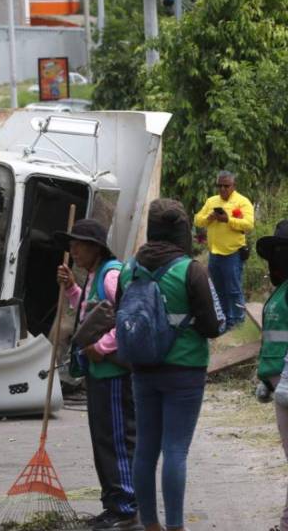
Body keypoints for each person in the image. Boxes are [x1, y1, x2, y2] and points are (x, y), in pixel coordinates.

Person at [121, 199, 225, 531]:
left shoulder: (129, 269)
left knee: (145, 450)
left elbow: (121, 317)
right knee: (175, 450)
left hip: (142, 369)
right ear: (180, 231)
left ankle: (150, 524)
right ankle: (176, 526)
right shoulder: (190, 270)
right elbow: (211, 326)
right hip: (185, 369)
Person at [55, 219, 141, 531]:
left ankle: (127, 506)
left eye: (79, 244)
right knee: (103, 440)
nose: (73, 250)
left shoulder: (113, 274)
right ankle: (114, 504)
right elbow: (91, 313)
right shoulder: (93, 275)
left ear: (96, 248)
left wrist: (102, 346)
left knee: (117, 439)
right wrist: (71, 288)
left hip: (113, 372)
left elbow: (128, 317)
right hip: (98, 372)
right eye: (71, 244)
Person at [254, 220, 288, 531]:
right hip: (278, 384)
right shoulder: (281, 291)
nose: (276, 260)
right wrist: (264, 378)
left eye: (283, 252)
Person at [194, 171, 254, 329]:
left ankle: (238, 322)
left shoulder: (242, 202)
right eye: (219, 185)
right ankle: (225, 320)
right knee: (218, 289)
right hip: (215, 253)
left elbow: (248, 224)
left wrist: (228, 220)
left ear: (234, 186)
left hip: (232, 253)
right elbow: (197, 220)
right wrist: (209, 218)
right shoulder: (211, 201)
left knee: (233, 289)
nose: (222, 189)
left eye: (226, 186)